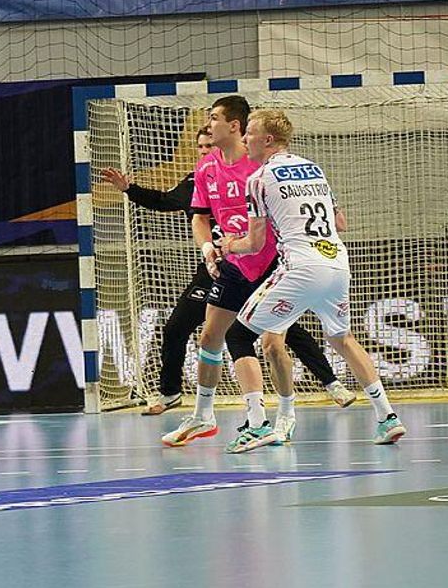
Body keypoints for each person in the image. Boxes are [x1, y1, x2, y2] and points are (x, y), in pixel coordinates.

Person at [99, 128, 356, 419]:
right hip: (219, 266)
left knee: (283, 332)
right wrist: (129, 189)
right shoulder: (198, 179)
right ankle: (173, 395)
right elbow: (164, 201)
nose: (205, 150)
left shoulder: (254, 173)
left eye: (209, 144)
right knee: (178, 328)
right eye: (200, 146)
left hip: (259, 263)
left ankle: (331, 384)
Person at [223, 109, 406, 444]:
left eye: (250, 132)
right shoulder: (314, 169)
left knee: (238, 336)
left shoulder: (258, 179)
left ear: (267, 139)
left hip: (300, 268)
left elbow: (255, 244)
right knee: (341, 339)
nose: (245, 138)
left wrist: (229, 245)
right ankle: (387, 416)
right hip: (336, 264)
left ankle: (257, 424)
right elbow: (340, 223)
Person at [159, 95, 289, 453]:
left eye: (214, 118)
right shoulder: (206, 167)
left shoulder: (259, 165)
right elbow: (200, 217)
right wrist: (207, 250)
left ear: (234, 125)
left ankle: (282, 415)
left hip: (270, 263)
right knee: (210, 337)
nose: (209, 124)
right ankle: (204, 415)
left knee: (272, 345)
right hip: (233, 262)